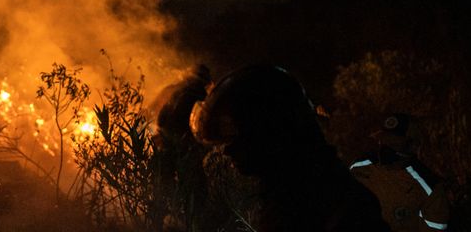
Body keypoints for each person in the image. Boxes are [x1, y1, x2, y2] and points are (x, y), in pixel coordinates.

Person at [190, 65, 390, 231]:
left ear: (271, 132)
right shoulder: (294, 193)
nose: (227, 151)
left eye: (238, 138)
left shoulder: (329, 206)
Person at [153, 64, 227, 231]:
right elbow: (202, 123)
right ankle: (194, 224)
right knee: (196, 190)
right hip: (184, 147)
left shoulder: (172, 90)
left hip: (165, 144)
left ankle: (161, 222)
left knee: (164, 187)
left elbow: (156, 112)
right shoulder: (198, 94)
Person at [349, 114, 450, 231]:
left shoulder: (429, 187)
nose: (384, 146)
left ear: (411, 146)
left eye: (393, 143)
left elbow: (435, 227)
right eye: (383, 139)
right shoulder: (359, 166)